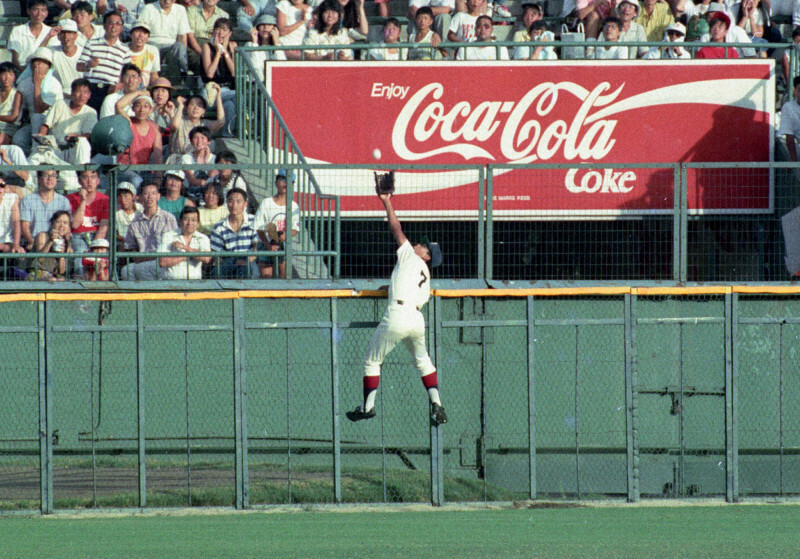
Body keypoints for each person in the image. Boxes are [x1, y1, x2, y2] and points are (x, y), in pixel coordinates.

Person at [346, 175, 447, 426]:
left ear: (426, 257)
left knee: (372, 359)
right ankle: (437, 404)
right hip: (416, 319)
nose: (420, 245)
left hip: (399, 316)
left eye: (424, 247)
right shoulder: (425, 273)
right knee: (423, 361)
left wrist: (387, 202)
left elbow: (396, 229)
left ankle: (368, 407)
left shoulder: (411, 258)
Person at [76, 10, 132, 112]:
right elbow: (78, 66)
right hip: (90, 88)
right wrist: (88, 64)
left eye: (118, 23)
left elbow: (126, 75)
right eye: (110, 23)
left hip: (111, 90)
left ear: (122, 28)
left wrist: (119, 85)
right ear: (104, 26)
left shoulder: (125, 50)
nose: (114, 26)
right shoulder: (91, 43)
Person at [121, 181, 178, 280]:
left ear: (159, 196)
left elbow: (174, 245)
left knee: (140, 269)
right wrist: (138, 257)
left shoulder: (169, 218)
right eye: (146, 193)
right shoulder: (134, 222)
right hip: (142, 260)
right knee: (126, 270)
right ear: (140, 197)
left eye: (153, 193)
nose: (150, 197)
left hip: (162, 261)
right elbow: (131, 247)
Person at [14, 47, 64, 153]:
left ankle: (38, 153)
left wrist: (37, 84)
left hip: (51, 122)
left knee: (37, 117)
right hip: (32, 122)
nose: (38, 65)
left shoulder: (54, 84)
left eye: (43, 62)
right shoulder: (24, 83)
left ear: (48, 66)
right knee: (18, 139)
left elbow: (39, 109)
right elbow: (19, 110)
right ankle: (34, 156)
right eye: (36, 61)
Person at [37, 78, 97, 165]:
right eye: (79, 91)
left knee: (83, 142)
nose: (82, 96)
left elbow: (88, 135)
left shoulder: (90, 112)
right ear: (72, 93)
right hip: (55, 148)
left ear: (89, 95)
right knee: (37, 154)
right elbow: (46, 125)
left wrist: (77, 136)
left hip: (73, 149)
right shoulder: (60, 104)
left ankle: (82, 172)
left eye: (86, 92)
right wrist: (41, 137)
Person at [138, 0, 195, 87]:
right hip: (152, 43)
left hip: (171, 44)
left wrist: (183, 53)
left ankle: (183, 77)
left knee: (180, 46)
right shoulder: (149, 8)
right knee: (152, 47)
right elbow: (141, 32)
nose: (167, 1)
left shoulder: (180, 9)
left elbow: (182, 36)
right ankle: (150, 80)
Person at [254, 170, 299, 278]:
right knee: (266, 276)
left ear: (292, 185)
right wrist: (268, 245)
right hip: (265, 243)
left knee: (284, 276)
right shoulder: (267, 202)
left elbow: (295, 228)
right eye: (282, 180)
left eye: (289, 181)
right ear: (276, 183)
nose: (285, 183)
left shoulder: (293, 205)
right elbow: (259, 228)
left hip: (282, 244)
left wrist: (286, 235)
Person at [67, 169, 110, 278]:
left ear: (98, 180)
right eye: (85, 177)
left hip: (97, 236)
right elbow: (74, 225)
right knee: (81, 254)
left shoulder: (105, 199)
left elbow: (103, 227)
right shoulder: (70, 198)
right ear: (79, 180)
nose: (90, 181)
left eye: (93, 177)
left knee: (102, 255)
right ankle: (80, 285)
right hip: (78, 236)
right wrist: (83, 201)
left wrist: (95, 246)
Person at [115, 92, 164, 186]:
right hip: (125, 169)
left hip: (144, 170)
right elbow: (118, 105)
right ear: (133, 108)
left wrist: (158, 177)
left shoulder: (155, 128)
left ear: (151, 109)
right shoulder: (128, 123)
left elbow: (158, 156)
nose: (142, 110)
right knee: (136, 181)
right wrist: (138, 92)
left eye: (146, 106)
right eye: (138, 106)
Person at [209, 187, 258, 279]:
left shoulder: (254, 221)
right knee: (217, 272)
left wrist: (246, 261)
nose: (234, 205)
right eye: (231, 201)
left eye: (238, 201)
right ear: (227, 203)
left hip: (250, 259)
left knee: (247, 270)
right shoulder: (219, 226)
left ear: (245, 204)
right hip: (228, 260)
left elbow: (257, 247)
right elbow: (216, 253)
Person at [200, 18, 237, 135]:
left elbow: (234, 72)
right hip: (211, 91)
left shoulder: (233, 46)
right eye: (218, 29)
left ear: (229, 33)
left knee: (230, 105)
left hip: (227, 91)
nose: (220, 33)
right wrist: (217, 52)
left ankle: (227, 135)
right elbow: (210, 74)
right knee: (239, 96)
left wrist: (225, 51)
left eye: (224, 30)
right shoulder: (207, 46)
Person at [20, 170, 71, 251]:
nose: (50, 178)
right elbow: (24, 227)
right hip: (34, 244)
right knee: (41, 237)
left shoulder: (64, 201)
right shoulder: (27, 200)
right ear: (39, 179)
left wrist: (68, 246)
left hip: (57, 242)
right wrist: (32, 242)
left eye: (53, 175)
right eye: (46, 175)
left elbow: (67, 227)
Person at [158, 205, 211, 279]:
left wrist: (185, 247)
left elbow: (206, 258)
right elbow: (162, 262)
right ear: (180, 221)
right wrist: (186, 256)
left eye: (193, 220)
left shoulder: (203, 238)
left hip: (195, 283)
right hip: (171, 283)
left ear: (198, 223)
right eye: (186, 219)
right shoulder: (168, 236)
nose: (189, 223)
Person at [8, 0, 54, 71]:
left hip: (44, 71)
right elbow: (15, 58)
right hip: (21, 71)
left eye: (43, 10)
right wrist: (24, 72)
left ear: (47, 13)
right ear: (28, 11)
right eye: (35, 9)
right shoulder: (17, 31)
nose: (39, 14)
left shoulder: (51, 32)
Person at [27, 209, 72, 280]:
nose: (62, 225)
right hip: (38, 272)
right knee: (52, 280)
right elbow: (39, 259)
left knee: (61, 280)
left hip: (54, 275)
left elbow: (62, 271)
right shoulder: (43, 235)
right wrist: (50, 241)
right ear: (52, 223)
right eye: (58, 222)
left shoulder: (67, 243)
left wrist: (61, 255)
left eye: (65, 223)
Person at [50, 19, 83, 96]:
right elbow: (38, 54)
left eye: (69, 33)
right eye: (63, 33)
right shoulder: (52, 51)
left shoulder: (85, 52)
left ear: (76, 35)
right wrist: (49, 36)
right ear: (58, 36)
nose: (66, 36)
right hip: (59, 95)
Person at [180, 125, 218, 191]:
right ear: (191, 141)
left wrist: (206, 161)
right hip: (190, 191)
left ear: (208, 142)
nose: (199, 141)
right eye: (196, 138)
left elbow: (212, 175)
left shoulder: (215, 159)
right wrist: (206, 183)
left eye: (202, 138)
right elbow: (192, 180)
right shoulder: (186, 158)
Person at [127, 21, 161, 87]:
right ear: (130, 34)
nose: (141, 35)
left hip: (143, 91)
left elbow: (154, 75)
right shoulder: (122, 49)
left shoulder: (153, 50)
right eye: (137, 31)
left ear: (148, 37)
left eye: (145, 33)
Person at [115, 181, 142, 251]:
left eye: (125, 196)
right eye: (119, 196)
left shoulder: (141, 210)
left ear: (133, 196)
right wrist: (127, 240)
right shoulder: (115, 213)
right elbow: (113, 234)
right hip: (123, 245)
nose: (123, 200)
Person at [0, 63, 23, 145]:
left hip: (9, 126)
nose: (7, 78)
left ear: (14, 77)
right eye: (3, 74)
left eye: (10, 74)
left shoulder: (17, 93)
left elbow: (13, 117)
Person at [0, 179, 24, 255]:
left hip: (7, 242)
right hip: (4, 246)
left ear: (5, 187)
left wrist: (16, 244)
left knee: (20, 253)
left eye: (1, 185)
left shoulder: (11, 198)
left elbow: (16, 222)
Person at [780, 76, 800, 161]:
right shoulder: (788, 107)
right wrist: (793, 160)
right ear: (795, 91)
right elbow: (789, 136)